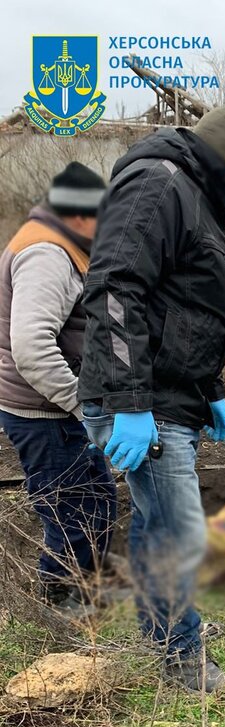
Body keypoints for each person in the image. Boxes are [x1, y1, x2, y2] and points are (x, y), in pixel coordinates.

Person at [78, 104, 225, 692]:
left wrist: (211, 388)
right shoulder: (159, 184)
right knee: (178, 531)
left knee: (158, 520)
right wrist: (132, 403)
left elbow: (189, 310)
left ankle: (162, 630)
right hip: (144, 400)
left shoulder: (203, 202)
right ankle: (181, 657)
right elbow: (114, 288)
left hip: (171, 396)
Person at [0, 162, 117, 617]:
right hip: (43, 411)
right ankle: (60, 600)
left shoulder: (63, 244)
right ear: (79, 214)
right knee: (70, 511)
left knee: (98, 498)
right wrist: (81, 403)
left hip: (59, 407)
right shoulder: (46, 253)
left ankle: (87, 588)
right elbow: (31, 346)